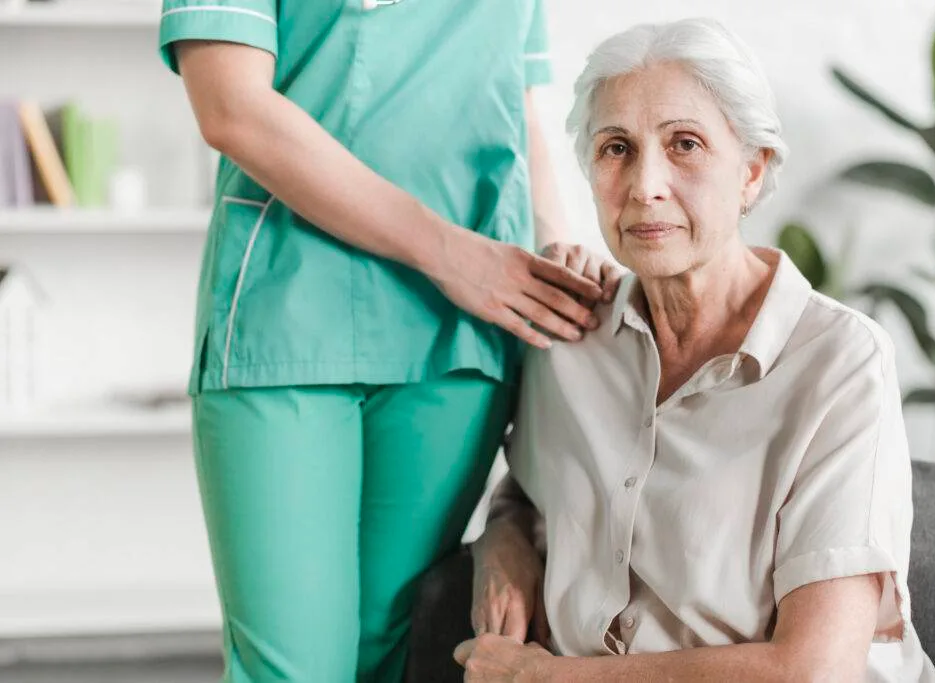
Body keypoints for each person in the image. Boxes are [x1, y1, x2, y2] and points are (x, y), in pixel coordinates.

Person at [459, 18, 935, 682]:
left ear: (751, 171)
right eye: (616, 147)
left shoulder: (841, 363)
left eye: (685, 144)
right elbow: (536, 479)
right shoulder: (570, 339)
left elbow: (815, 668)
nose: (645, 184)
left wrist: (543, 677)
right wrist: (502, 541)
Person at [156, 0, 621, 680]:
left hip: (460, 334)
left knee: (390, 654)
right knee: (291, 668)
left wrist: (558, 247)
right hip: (292, 313)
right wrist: (450, 255)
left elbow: (515, 106)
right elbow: (231, 107)